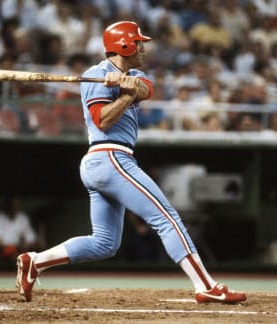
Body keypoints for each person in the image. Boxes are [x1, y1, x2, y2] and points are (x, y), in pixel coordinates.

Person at [16, 21, 247, 304]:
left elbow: (146, 89)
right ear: (123, 45)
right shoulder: (95, 75)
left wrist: (129, 88)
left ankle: (35, 262)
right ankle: (206, 285)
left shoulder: (134, 74)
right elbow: (103, 120)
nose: (142, 48)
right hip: (109, 155)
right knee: (167, 218)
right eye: (138, 43)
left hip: (104, 163)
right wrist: (124, 95)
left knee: (104, 243)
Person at [0, 195, 37, 262]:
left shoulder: (23, 218)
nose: (13, 207)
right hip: (3, 252)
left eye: (16, 205)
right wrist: (11, 249)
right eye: (11, 205)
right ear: (7, 205)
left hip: (20, 251)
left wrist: (24, 246)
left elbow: (32, 241)